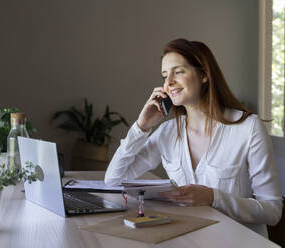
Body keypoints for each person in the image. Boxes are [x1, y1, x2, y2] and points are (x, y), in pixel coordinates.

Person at [104, 38, 283, 237]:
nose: (168, 82)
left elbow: (272, 211)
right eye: (165, 75)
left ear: (204, 74)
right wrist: (141, 127)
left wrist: (214, 197)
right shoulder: (167, 132)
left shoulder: (248, 128)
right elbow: (113, 180)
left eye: (178, 72)